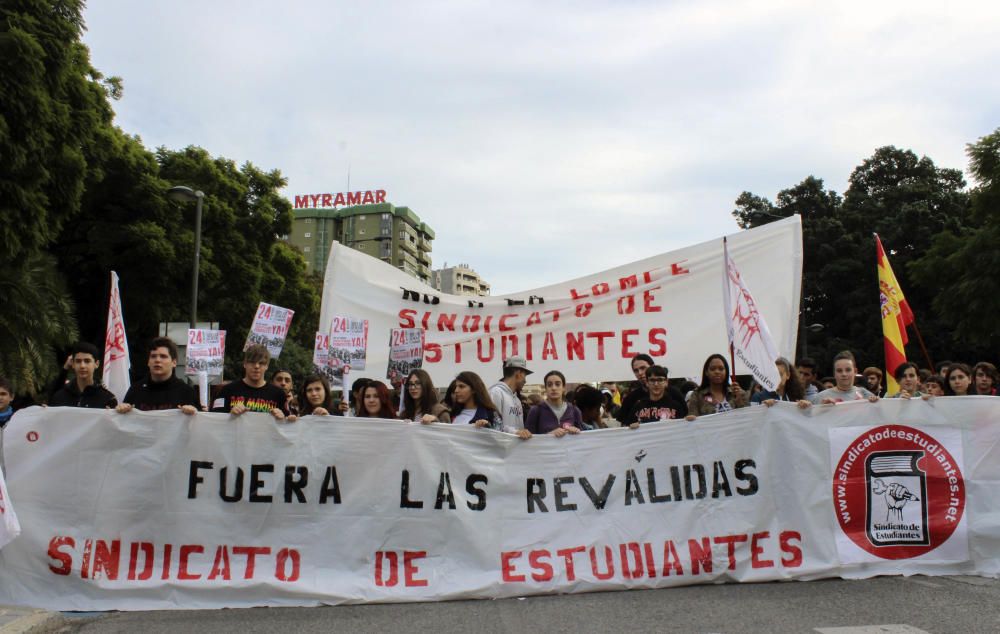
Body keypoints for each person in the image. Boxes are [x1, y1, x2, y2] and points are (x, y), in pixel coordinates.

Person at [117, 337, 201, 414]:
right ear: (148, 362)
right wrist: (120, 411)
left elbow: (199, 426)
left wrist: (194, 414)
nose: (157, 360)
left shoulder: (186, 393)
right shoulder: (135, 390)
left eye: (163, 356)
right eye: (153, 356)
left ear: (174, 362)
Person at [211, 344, 287, 420]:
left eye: (261, 363)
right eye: (252, 362)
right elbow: (213, 420)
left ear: (267, 366)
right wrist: (230, 414)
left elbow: (290, 424)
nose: (256, 366)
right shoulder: (227, 390)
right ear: (245, 364)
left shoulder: (279, 394)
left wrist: (283, 417)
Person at [49, 342, 117, 409]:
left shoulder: (107, 399)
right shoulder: (59, 397)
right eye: (78, 361)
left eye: (87, 361)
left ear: (97, 364)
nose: (82, 366)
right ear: (72, 364)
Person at [525, 370, 582, 437]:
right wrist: (549, 436)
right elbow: (528, 441)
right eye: (549, 385)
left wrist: (576, 431)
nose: (553, 388)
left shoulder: (574, 411)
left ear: (563, 387)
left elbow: (582, 441)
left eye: (557, 384)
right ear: (545, 388)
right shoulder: (535, 411)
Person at [812, 351, 878, 404]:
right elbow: (806, 417)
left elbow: (880, 416)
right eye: (839, 370)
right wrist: (804, 406)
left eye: (848, 370)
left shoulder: (866, 395)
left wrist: (877, 404)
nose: (844, 374)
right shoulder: (820, 397)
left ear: (855, 371)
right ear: (834, 373)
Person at [488, 356, 532, 434]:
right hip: (499, 445)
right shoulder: (496, 393)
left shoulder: (517, 400)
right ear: (519, 374)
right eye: (525, 375)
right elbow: (493, 425)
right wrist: (516, 432)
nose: (525, 381)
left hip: (514, 445)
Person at [616, 353, 654, 425]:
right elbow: (623, 426)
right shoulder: (630, 398)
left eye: (643, 368)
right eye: (636, 370)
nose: (640, 373)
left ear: (653, 367)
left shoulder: (672, 393)